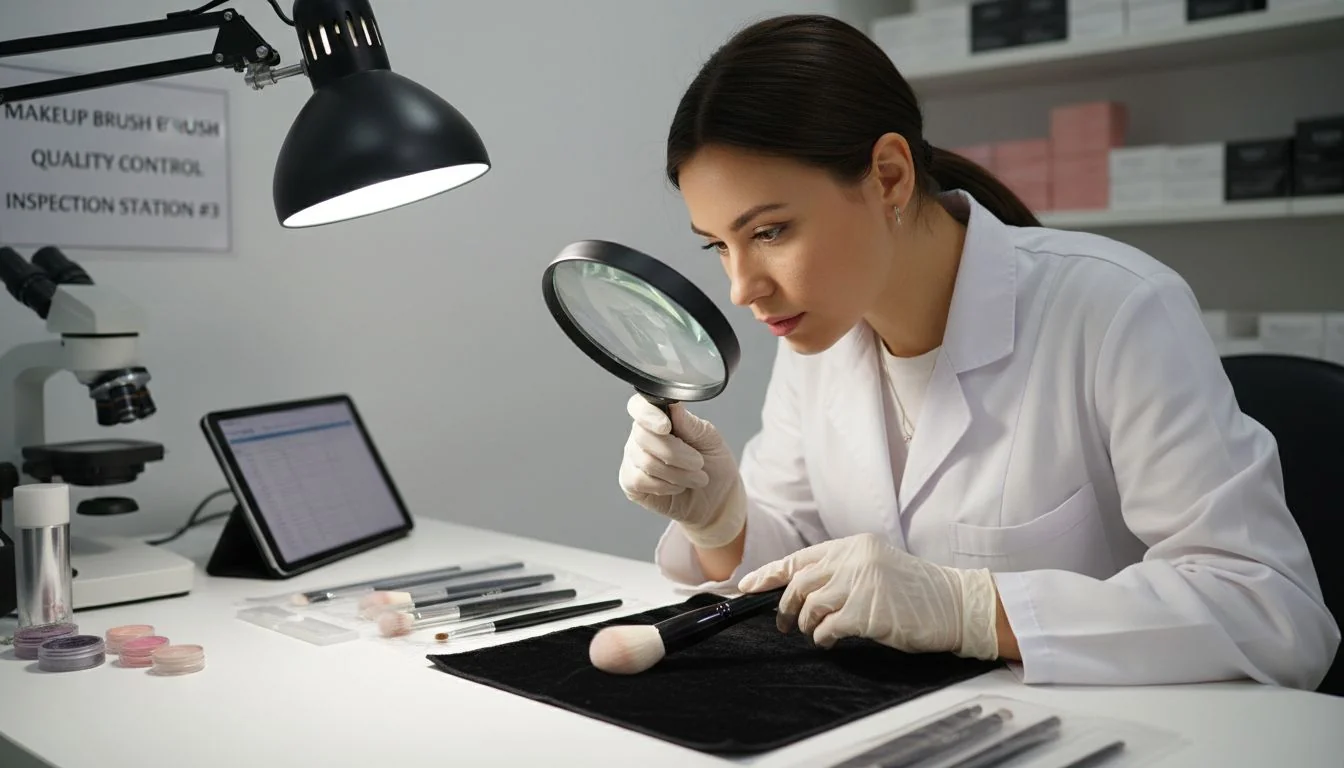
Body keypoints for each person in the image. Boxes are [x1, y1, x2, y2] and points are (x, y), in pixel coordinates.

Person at [616, 13, 1339, 689]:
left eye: (770, 232)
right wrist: (718, 519)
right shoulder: (818, 335)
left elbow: (1274, 613)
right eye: (718, 246)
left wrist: (971, 609)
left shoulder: (1117, 308)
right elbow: (801, 564)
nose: (743, 288)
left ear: (890, 177)